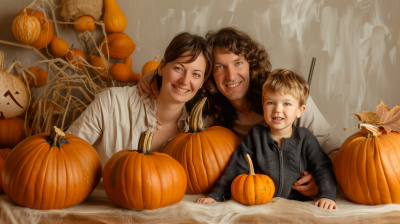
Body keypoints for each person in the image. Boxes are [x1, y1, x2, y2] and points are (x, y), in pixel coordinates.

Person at [137, 27, 342, 197]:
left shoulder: (286, 97)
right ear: (210, 75)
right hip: (252, 197)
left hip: (298, 197)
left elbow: (335, 152)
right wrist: (155, 75)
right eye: (219, 67)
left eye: (237, 63)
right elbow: (179, 85)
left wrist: (319, 178)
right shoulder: (210, 110)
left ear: (251, 66)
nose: (230, 75)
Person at [196, 69, 338, 209]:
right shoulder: (255, 136)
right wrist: (216, 195)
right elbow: (236, 168)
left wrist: (327, 196)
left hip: (298, 206)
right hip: (262, 206)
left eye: (286, 104)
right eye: (271, 103)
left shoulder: (305, 138)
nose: (277, 109)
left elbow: (323, 168)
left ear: (300, 111)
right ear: (263, 104)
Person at [67, 32, 213, 167]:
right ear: (161, 67)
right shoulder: (112, 102)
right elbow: (66, 155)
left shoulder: (195, 135)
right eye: (179, 69)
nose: (185, 81)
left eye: (196, 74)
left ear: (201, 82)